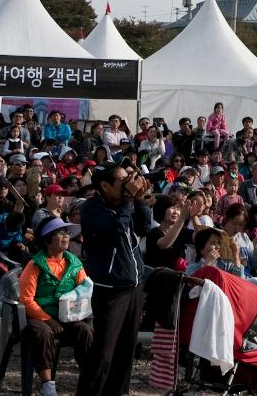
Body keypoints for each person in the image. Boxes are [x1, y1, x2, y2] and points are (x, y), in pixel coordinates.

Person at [78, 163, 152, 396]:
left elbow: (144, 226)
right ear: (105, 186)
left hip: (133, 284)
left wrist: (138, 199)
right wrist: (129, 199)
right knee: (103, 350)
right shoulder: (91, 209)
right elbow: (117, 231)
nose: (127, 184)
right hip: (110, 288)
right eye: (122, 182)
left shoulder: (125, 204)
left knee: (125, 348)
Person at [19, 217, 96, 396]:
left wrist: (79, 311)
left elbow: (85, 289)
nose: (66, 236)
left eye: (67, 233)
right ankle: (47, 384)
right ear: (47, 240)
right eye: (60, 233)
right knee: (44, 333)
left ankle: (90, 378)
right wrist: (50, 321)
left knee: (85, 330)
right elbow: (26, 300)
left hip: (67, 316)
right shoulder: (34, 265)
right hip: (38, 317)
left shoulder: (74, 264)